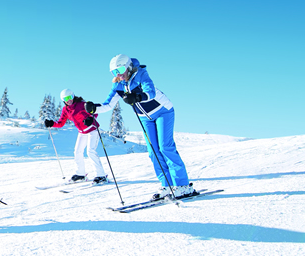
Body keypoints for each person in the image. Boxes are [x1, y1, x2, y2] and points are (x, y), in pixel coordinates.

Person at [86, 55, 194, 199]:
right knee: (153, 152)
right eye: (114, 72)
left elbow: (150, 92)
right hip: (145, 118)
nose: (118, 74)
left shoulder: (141, 74)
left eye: (121, 69)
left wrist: (137, 97)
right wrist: (94, 108)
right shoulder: (118, 85)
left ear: (129, 67)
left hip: (163, 111)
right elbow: (109, 104)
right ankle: (166, 185)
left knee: (165, 147)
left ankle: (182, 186)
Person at [45, 89, 108, 185]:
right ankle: (80, 174)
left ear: (73, 96)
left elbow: (95, 111)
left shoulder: (82, 104)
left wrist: (90, 119)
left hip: (92, 129)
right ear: (63, 100)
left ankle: (101, 175)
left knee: (90, 151)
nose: (69, 100)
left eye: (70, 97)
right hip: (82, 132)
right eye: (66, 98)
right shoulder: (65, 110)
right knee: (77, 151)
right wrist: (51, 123)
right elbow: (61, 123)